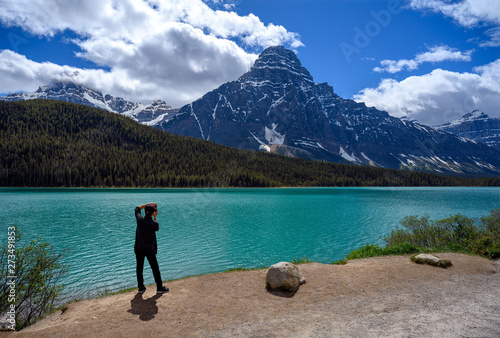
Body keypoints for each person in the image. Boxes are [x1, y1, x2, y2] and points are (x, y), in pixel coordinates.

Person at [134, 202, 169, 294]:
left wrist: (147, 204)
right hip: (150, 250)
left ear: (145, 212)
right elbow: (156, 227)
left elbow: (137, 209)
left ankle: (141, 288)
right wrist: (155, 217)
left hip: (139, 249)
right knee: (155, 269)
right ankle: (159, 287)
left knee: (139, 268)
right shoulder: (154, 224)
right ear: (154, 212)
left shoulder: (140, 220)